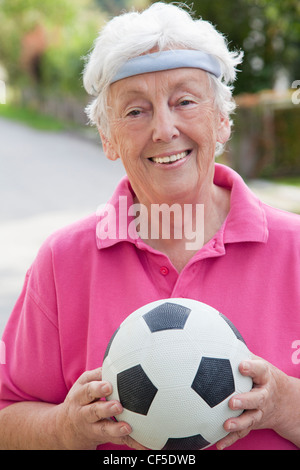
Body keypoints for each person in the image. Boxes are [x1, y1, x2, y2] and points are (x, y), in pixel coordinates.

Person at [0, 2, 300, 450]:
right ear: (107, 137)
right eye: (136, 111)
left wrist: (285, 405)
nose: (164, 129)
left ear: (222, 120)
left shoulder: (294, 250)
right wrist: (64, 428)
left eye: (184, 101)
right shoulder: (64, 263)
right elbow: (8, 415)